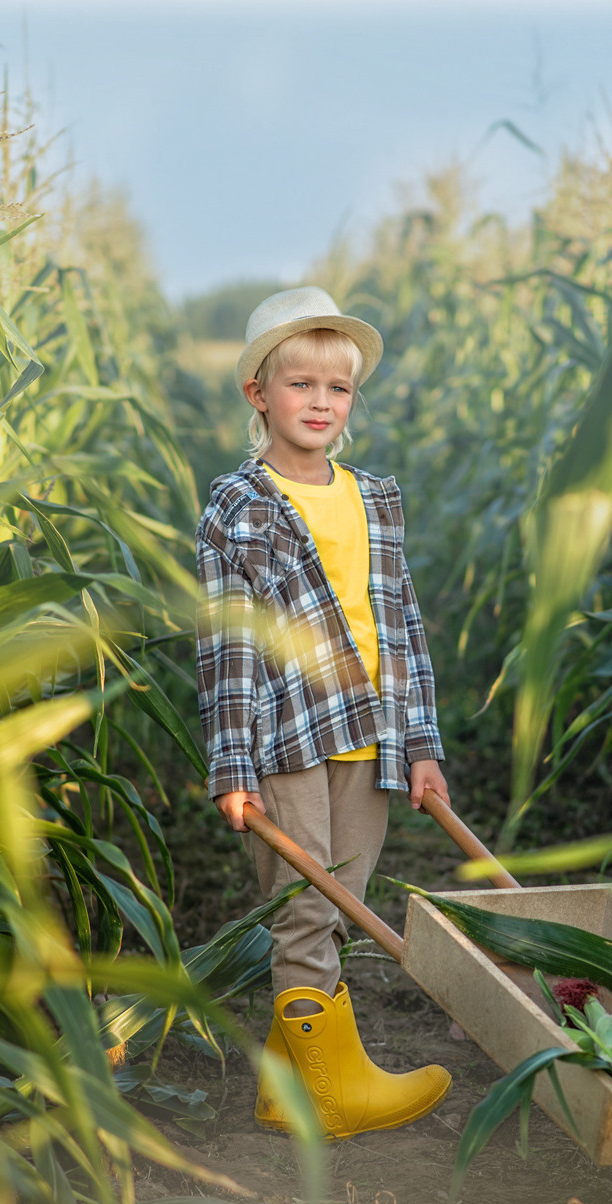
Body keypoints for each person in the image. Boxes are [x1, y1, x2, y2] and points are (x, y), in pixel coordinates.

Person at [194, 286, 452, 1138]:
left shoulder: (373, 497)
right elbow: (228, 643)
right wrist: (232, 764)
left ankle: (284, 1088)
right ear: (258, 393)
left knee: (343, 901)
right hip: (287, 734)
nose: (320, 402)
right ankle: (335, 1094)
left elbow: (402, 624)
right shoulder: (240, 503)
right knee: (307, 907)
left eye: (337, 388)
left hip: (372, 730)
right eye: (300, 384)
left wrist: (421, 744)